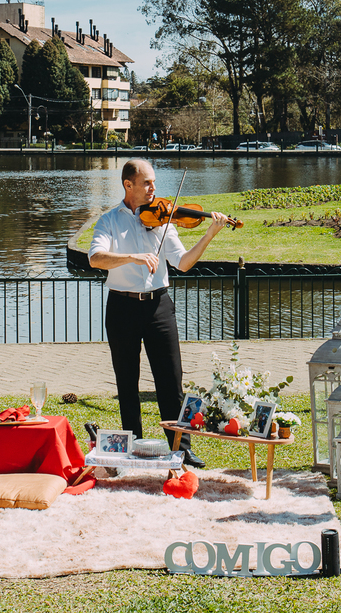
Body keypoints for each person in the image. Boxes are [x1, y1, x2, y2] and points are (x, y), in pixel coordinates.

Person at [88, 159, 230, 468]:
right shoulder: (109, 220)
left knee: (171, 381)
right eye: (147, 183)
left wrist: (209, 234)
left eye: (154, 181)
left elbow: (183, 262)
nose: (154, 188)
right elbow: (96, 258)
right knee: (127, 383)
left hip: (159, 307)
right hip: (122, 307)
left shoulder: (163, 219)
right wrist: (132, 257)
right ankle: (132, 448)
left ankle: (182, 449)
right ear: (128, 185)